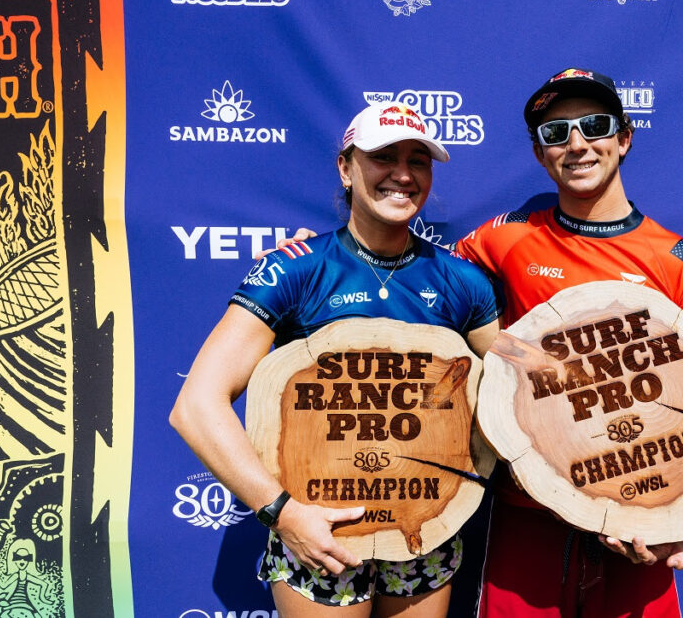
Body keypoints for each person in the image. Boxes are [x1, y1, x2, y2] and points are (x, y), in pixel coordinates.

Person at [273, 68, 683, 617]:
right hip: (527, 508)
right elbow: (409, 277)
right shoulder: (500, 238)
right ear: (538, 153)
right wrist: (311, 263)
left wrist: (672, 514)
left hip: (632, 517)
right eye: (556, 133)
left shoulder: (682, 261)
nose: (576, 144)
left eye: (594, 125)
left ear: (624, 136)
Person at [170, 102, 502, 617]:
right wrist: (282, 513)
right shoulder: (294, 270)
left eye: (419, 160)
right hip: (317, 526)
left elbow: (522, 396)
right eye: (383, 156)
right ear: (346, 168)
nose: (403, 174)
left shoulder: (462, 281)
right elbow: (195, 406)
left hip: (423, 527)